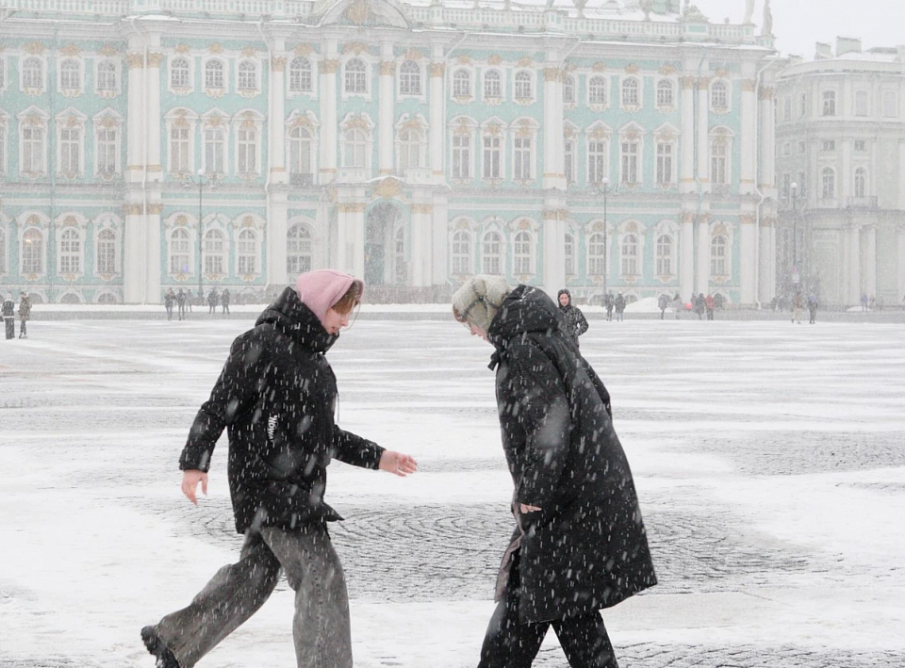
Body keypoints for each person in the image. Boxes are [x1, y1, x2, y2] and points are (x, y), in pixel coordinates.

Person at [142, 269, 418, 668]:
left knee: (253, 578)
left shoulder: (314, 359)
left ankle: (175, 641)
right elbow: (217, 407)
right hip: (271, 485)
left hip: (292, 486)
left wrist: (378, 457)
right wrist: (194, 463)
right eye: (342, 311)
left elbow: (322, 435)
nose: (345, 322)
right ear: (319, 304)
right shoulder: (262, 344)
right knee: (321, 576)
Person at [450, 277, 657, 668]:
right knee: (565, 609)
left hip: (557, 506)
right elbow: (600, 396)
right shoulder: (546, 336)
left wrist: (533, 491)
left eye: (470, 323)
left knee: (532, 612)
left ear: (485, 314)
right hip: (572, 497)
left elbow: (552, 425)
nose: (474, 333)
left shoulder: (525, 348)